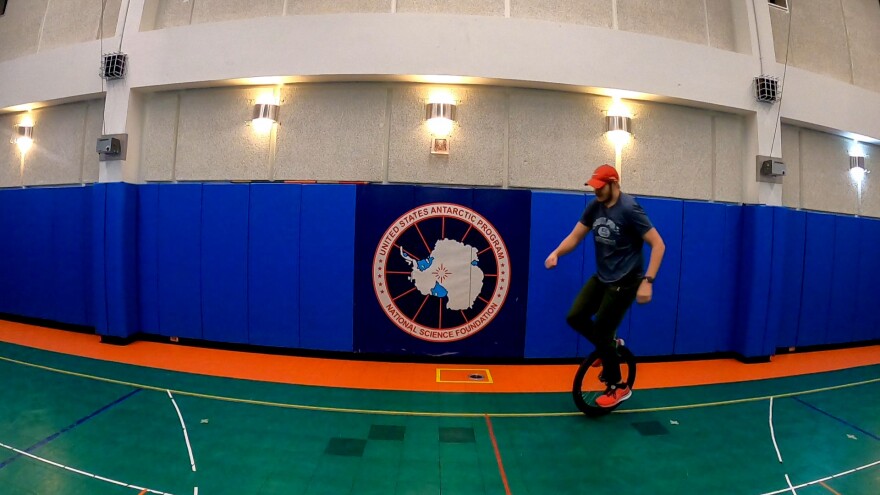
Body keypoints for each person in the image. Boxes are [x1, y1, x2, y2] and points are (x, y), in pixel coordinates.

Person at [545, 164, 665, 408]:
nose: (596, 192)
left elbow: (658, 244)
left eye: (600, 187)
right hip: (603, 277)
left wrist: (648, 281)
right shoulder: (595, 207)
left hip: (626, 281)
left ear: (614, 183)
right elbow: (576, 236)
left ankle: (618, 386)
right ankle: (611, 345)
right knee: (575, 316)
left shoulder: (630, 209)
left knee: (600, 330)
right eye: (594, 187)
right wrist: (557, 252)